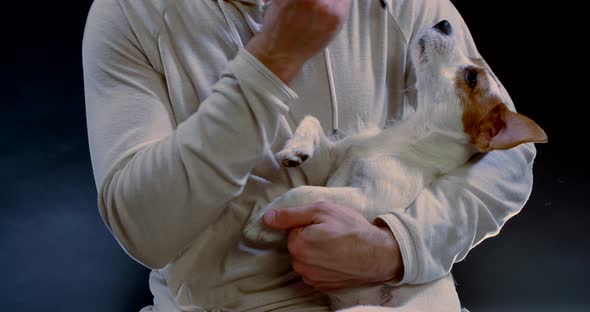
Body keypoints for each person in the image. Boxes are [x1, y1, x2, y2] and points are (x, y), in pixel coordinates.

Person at [82, 0, 537, 311]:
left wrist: (398, 245)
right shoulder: (130, 12)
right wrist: (270, 62)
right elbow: (142, 229)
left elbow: (506, 158)